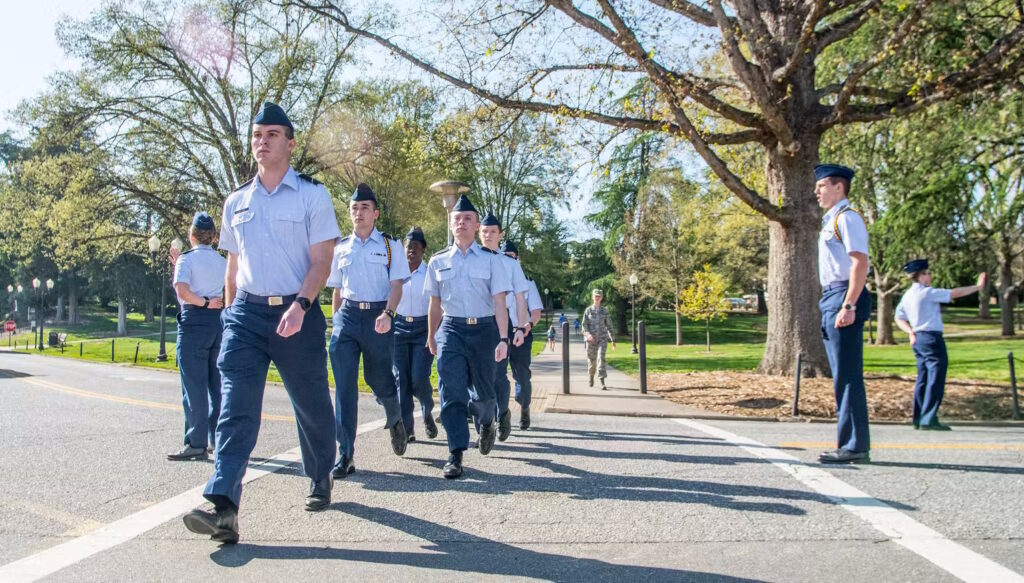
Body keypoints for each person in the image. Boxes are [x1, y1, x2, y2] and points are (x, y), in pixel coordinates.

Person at [183, 102, 340, 544]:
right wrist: (232, 316)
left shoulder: (313, 195)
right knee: (235, 410)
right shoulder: (236, 201)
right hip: (247, 317)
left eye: (272, 134)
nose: (262, 141)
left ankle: (320, 474)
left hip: (298, 313)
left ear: (290, 143)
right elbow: (233, 267)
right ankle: (223, 507)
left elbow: (322, 260)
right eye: (257, 134)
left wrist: (302, 305)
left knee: (311, 405)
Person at [425, 195, 518, 479]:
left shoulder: (492, 261)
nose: (461, 223)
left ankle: (487, 420)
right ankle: (455, 453)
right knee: (451, 391)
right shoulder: (438, 260)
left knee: (485, 394)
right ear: (451, 225)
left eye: (467, 219)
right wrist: (431, 336)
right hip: (451, 329)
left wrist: (503, 339)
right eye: (457, 219)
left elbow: (500, 301)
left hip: (485, 330)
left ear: (476, 225)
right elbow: (434, 303)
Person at [328, 184, 411, 479]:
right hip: (348, 318)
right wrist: (337, 320)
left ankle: (395, 417)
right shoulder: (341, 249)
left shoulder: (390, 246)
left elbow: (397, 285)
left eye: (364, 208)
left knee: (379, 379)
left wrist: (389, 314)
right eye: (354, 209)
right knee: (345, 388)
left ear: (375, 213)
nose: (359, 213)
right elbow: (337, 290)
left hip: (379, 316)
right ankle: (345, 454)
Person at [815, 163, 872, 464]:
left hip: (843, 294)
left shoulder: (847, 218)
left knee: (848, 376)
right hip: (832, 295)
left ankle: (854, 445)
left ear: (839, 187)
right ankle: (849, 442)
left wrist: (848, 304)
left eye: (822, 185)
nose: (817, 191)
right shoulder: (832, 219)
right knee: (842, 376)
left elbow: (859, 262)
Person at [895, 259, 985, 431]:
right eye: (927, 273)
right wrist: (977, 287)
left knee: (923, 378)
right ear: (919, 276)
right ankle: (929, 417)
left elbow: (899, 317)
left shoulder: (907, 296)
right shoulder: (927, 293)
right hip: (931, 338)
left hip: (918, 338)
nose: (930, 276)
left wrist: (909, 332)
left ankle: (919, 417)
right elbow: (954, 293)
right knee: (935, 378)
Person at [166, 211, 227, 462]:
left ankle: (196, 441)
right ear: (213, 237)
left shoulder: (186, 260)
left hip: (194, 321)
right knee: (216, 385)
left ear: (192, 235)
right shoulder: (223, 261)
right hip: (218, 322)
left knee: (193, 385)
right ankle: (216, 438)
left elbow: (182, 290)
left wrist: (202, 302)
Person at [478, 213, 528, 441]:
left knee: (498, 374)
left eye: (492, 232)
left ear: (500, 235)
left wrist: (519, 328)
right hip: (475, 321)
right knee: (476, 374)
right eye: (484, 231)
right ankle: (484, 422)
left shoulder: (510, 264)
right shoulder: (471, 257)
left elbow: (519, 298)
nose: (488, 236)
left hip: (501, 323)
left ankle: (503, 413)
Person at [394, 227, 438, 442]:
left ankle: (427, 410)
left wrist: (433, 333)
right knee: (402, 380)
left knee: (418, 378)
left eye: (416, 247)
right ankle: (407, 429)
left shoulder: (430, 273)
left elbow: (436, 304)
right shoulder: (395, 272)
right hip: (399, 329)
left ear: (423, 250)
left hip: (423, 329)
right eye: (408, 246)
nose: (411, 251)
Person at [501, 240, 543, 429]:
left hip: (522, 335)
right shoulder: (496, 281)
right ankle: (501, 411)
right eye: (505, 257)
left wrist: (527, 326)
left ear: (517, 259)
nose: (509, 260)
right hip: (500, 333)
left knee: (522, 376)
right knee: (495, 375)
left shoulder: (527, 283)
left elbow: (536, 313)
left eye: (512, 257)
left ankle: (524, 407)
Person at [581, 289, 615, 389]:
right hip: (591, 340)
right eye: (595, 296)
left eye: (599, 296)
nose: (597, 298)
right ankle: (591, 376)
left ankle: (602, 380)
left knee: (601, 358)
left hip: (602, 339)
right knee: (592, 361)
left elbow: (609, 326)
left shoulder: (605, 311)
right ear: (592, 297)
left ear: (601, 298)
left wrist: (613, 339)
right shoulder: (588, 310)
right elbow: (584, 325)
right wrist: (588, 335)